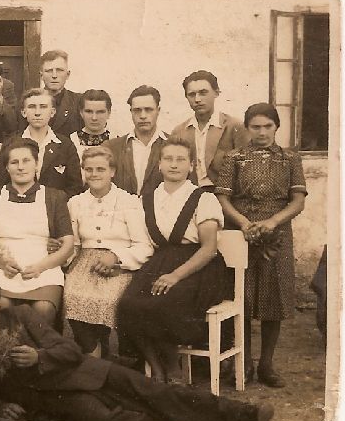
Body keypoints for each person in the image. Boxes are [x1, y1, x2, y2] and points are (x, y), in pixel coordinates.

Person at [0, 277, 274, 421]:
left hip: (87, 371)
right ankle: (185, 420)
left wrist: (39, 356)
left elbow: (70, 351)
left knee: (158, 394)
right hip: (59, 398)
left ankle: (245, 417)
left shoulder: (22, 316)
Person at [116, 138, 227, 383]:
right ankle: (156, 367)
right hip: (159, 262)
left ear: (191, 165)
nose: (174, 165)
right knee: (128, 303)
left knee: (164, 303)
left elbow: (209, 249)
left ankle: (173, 366)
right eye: (168, 159)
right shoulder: (146, 199)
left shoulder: (203, 198)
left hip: (198, 266)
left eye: (180, 159)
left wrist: (175, 276)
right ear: (159, 164)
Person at [215, 103, 307, 388]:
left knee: (273, 298)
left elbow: (298, 201)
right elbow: (222, 198)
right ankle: (244, 362)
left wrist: (273, 222)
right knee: (240, 297)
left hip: (276, 234)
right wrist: (244, 223)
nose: (262, 132)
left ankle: (267, 364)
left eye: (268, 126)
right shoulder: (234, 158)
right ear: (247, 129)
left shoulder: (290, 159)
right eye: (255, 127)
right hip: (241, 233)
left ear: (277, 127)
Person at [64, 146, 153, 356]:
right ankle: (93, 351)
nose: (94, 174)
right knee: (72, 295)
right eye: (89, 169)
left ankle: (105, 352)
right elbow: (74, 244)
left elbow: (144, 246)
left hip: (121, 266)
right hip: (84, 263)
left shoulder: (129, 201)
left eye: (100, 169)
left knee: (108, 299)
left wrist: (116, 257)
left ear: (112, 171)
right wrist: (62, 252)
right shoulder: (75, 203)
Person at [0, 137, 74, 326]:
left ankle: (39, 346)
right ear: (7, 167)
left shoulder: (54, 197)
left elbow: (68, 244)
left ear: (36, 164)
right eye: (14, 162)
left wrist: (41, 267)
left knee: (43, 309)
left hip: (43, 268)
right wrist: (2, 263)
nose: (20, 167)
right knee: (2, 306)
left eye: (26, 161)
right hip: (2, 269)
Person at [171, 70, 249, 191]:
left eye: (203, 93)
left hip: (224, 195)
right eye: (192, 94)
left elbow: (246, 170)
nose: (197, 99)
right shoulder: (179, 131)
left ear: (216, 93)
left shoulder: (234, 126)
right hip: (190, 195)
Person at [103, 85, 170, 196]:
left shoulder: (173, 145)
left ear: (158, 111)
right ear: (131, 112)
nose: (143, 116)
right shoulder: (112, 147)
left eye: (148, 110)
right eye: (137, 110)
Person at [18, 49, 83, 136]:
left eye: (59, 70)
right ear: (41, 76)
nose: (54, 76)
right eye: (49, 71)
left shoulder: (79, 102)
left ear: (67, 75)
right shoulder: (29, 102)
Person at [69, 89, 113, 160]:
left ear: (109, 113)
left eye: (100, 112)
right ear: (81, 113)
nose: (94, 118)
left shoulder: (118, 142)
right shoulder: (70, 142)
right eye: (89, 111)